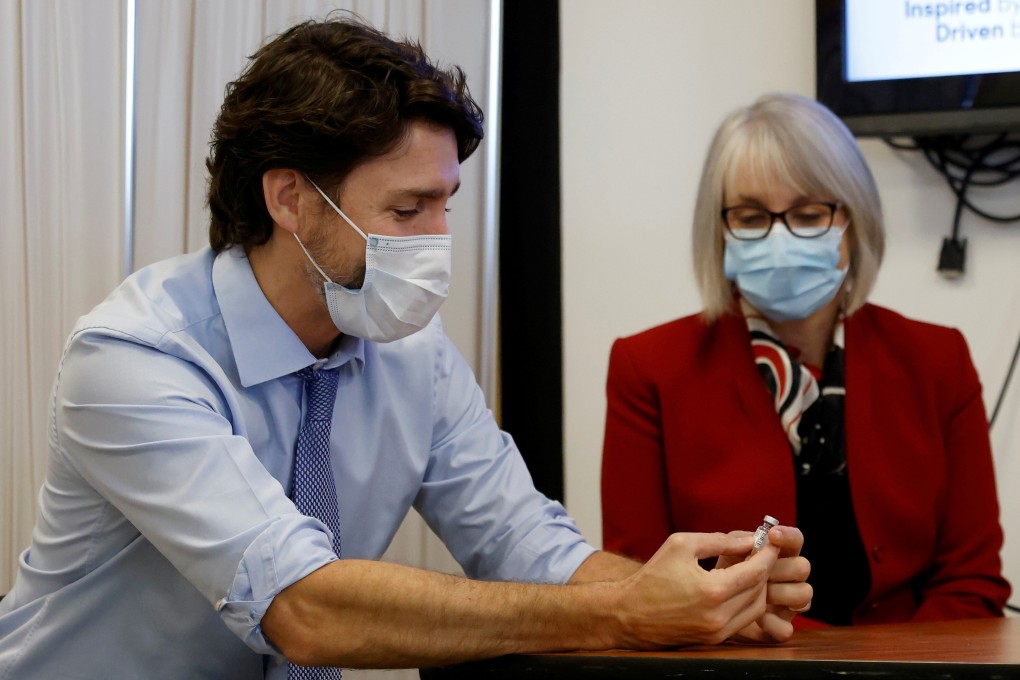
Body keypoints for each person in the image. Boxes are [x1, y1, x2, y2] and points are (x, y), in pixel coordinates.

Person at [0, 17, 812, 678]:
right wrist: (624, 612)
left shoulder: (410, 353)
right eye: (407, 210)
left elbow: (527, 550)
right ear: (290, 199)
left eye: (447, 206)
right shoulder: (133, 357)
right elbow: (303, 609)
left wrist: (704, 595)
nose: (438, 241)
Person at [600, 92, 1011, 628]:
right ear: (719, 230)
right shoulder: (648, 368)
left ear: (853, 223)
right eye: (750, 217)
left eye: (809, 213)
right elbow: (638, 585)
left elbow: (972, 581)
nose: (779, 238)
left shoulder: (938, 360)